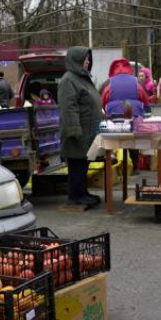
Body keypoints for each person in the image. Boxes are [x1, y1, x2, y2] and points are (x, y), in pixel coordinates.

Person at [58, 46, 103, 207]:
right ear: (76, 60)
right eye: (85, 58)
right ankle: (75, 196)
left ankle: (82, 192)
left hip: (88, 132)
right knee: (77, 165)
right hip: (77, 132)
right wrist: (74, 130)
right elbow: (68, 107)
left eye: (88, 58)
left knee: (84, 164)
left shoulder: (82, 78)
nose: (88, 61)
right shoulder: (68, 80)